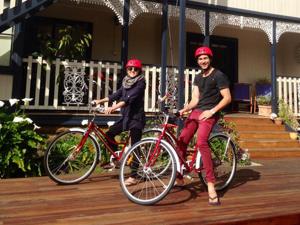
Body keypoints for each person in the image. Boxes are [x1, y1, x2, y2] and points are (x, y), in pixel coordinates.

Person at [177, 46, 231, 206]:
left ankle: (211, 186)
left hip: (210, 113)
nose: (203, 61)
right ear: (198, 61)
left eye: (205, 58)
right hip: (197, 111)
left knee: (201, 142)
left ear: (210, 58)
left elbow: (227, 98)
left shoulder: (219, 75)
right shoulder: (198, 77)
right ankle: (179, 177)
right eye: (200, 59)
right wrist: (185, 109)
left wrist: (212, 111)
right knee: (181, 140)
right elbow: (195, 99)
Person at [92, 58, 146, 186]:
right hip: (126, 117)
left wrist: (113, 108)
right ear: (127, 70)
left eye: (135, 69)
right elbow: (116, 94)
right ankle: (117, 160)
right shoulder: (126, 82)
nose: (133, 71)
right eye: (130, 68)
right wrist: (99, 101)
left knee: (135, 146)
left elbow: (128, 98)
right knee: (109, 134)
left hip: (136, 118)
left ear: (139, 70)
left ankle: (133, 176)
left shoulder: (141, 82)